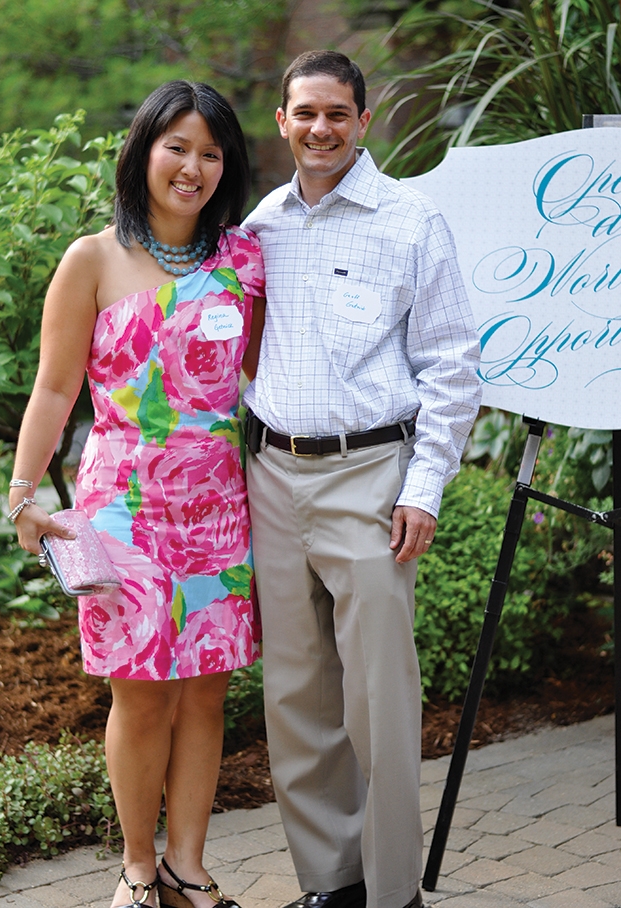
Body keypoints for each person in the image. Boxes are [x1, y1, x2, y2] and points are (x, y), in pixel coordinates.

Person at [8, 80, 265, 908]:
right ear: (143, 151)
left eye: (211, 154)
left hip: (221, 507)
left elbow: (260, 378)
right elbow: (52, 392)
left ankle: (190, 866)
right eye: (177, 147)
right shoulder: (92, 258)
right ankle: (137, 868)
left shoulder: (243, 261)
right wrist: (20, 500)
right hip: (122, 508)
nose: (192, 168)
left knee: (206, 690)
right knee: (142, 692)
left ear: (227, 168)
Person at [243, 51, 482, 908]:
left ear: (362, 120)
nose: (319, 129)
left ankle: (391, 895)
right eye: (304, 112)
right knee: (296, 700)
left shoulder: (409, 221)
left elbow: (453, 366)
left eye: (336, 113)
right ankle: (330, 886)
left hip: (369, 477)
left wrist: (423, 487)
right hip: (272, 476)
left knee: (378, 702)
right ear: (281, 119)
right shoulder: (261, 224)